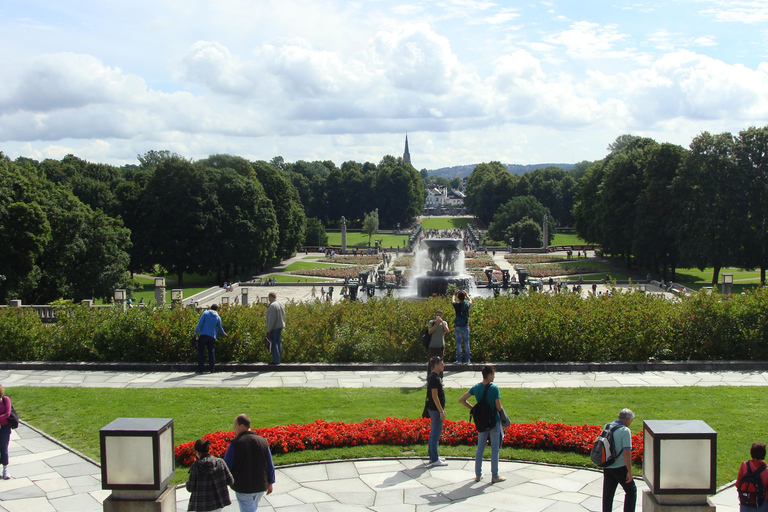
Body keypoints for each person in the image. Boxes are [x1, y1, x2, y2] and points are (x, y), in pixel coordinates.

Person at [459, 365, 506, 483]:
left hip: (481, 421)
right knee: (494, 449)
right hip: (493, 421)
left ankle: (478, 475)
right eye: (493, 374)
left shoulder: (477, 387)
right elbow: (498, 407)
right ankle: (495, 475)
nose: (494, 377)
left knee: (480, 448)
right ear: (489, 375)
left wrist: (473, 409)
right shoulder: (494, 389)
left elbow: (462, 399)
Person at [224, 414, 275, 512]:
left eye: (235, 426)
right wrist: (270, 482)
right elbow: (270, 464)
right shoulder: (263, 442)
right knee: (252, 508)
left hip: (243, 487)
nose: (234, 428)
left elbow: (226, 466)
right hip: (261, 485)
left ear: (242, 426)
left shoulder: (235, 444)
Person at [602, 408, 637, 512]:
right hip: (620, 467)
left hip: (607, 465)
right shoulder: (625, 431)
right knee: (631, 491)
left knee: (608, 494)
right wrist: (629, 471)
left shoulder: (607, 426)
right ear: (628, 419)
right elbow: (627, 453)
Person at [186, 438, 234, 512]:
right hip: (218, 502)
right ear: (208, 450)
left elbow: (190, 488)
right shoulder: (220, 462)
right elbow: (230, 481)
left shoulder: (196, 466)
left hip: (201, 505)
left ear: (197, 452)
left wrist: (187, 482)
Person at [426, 356, 448, 467]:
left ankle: (433, 455)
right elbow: (435, 396)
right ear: (435, 365)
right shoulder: (434, 378)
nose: (443, 366)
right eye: (441, 364)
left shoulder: (434, 377)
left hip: (434, 409)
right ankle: (434, 458)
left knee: (434, 433)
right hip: (435, 410)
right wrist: (441, 411)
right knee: (435, 433)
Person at [194, 304, 228, 374]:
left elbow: (200, 323)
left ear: (210, 308)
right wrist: (224, 334)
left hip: (203, 335)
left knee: (201, 352)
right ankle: (212, 369)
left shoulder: (205, 313)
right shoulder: (218, 317)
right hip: (212, 336)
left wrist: (195, 332)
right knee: (211, 352)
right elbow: (220, 328)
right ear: (216, 309)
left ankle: (200, 369)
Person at [736, 442, 768, 511]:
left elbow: (738, 484)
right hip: (761, 504)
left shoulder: (744, 465)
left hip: (746, 501)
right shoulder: (766, 470)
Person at [427, 310, 449, 377]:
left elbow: (447, 331)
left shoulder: (444, 323)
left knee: (441, 363)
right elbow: (429, 332)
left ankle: (440, 377)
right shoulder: (432, 322)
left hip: (440, 345)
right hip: (432, 345)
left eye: (440, 315)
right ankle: (429, 377)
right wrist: (436, 324)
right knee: (430, 362)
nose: (438, 316)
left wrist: (442, 322)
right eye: (437, 315)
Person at [265, 292, 285, 364]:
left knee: (273, 343)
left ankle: (276, 360)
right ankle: (278, 358)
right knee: (278, 342)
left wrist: (268, 329)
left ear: (270, 297)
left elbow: (271, 319)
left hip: (274, 327)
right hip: (280, 325)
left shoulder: (273, 306)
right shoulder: (280, 304)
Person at [452, 290, 472, 364]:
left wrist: (454, 294)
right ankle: (467, 360)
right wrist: (467, 295)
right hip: (465, 326)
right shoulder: (466, 305)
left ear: (458, 298)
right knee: (466, 343)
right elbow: (470, 300)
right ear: (464, 298)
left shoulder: (456, 305)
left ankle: (459, 360)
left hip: (458, 326)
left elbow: (453, 301)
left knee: (458, 344)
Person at [0, 384, 11, 479]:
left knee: (4, 448)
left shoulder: (5, 399)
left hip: (4, 428)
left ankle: (5, 469)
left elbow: (7, 414)